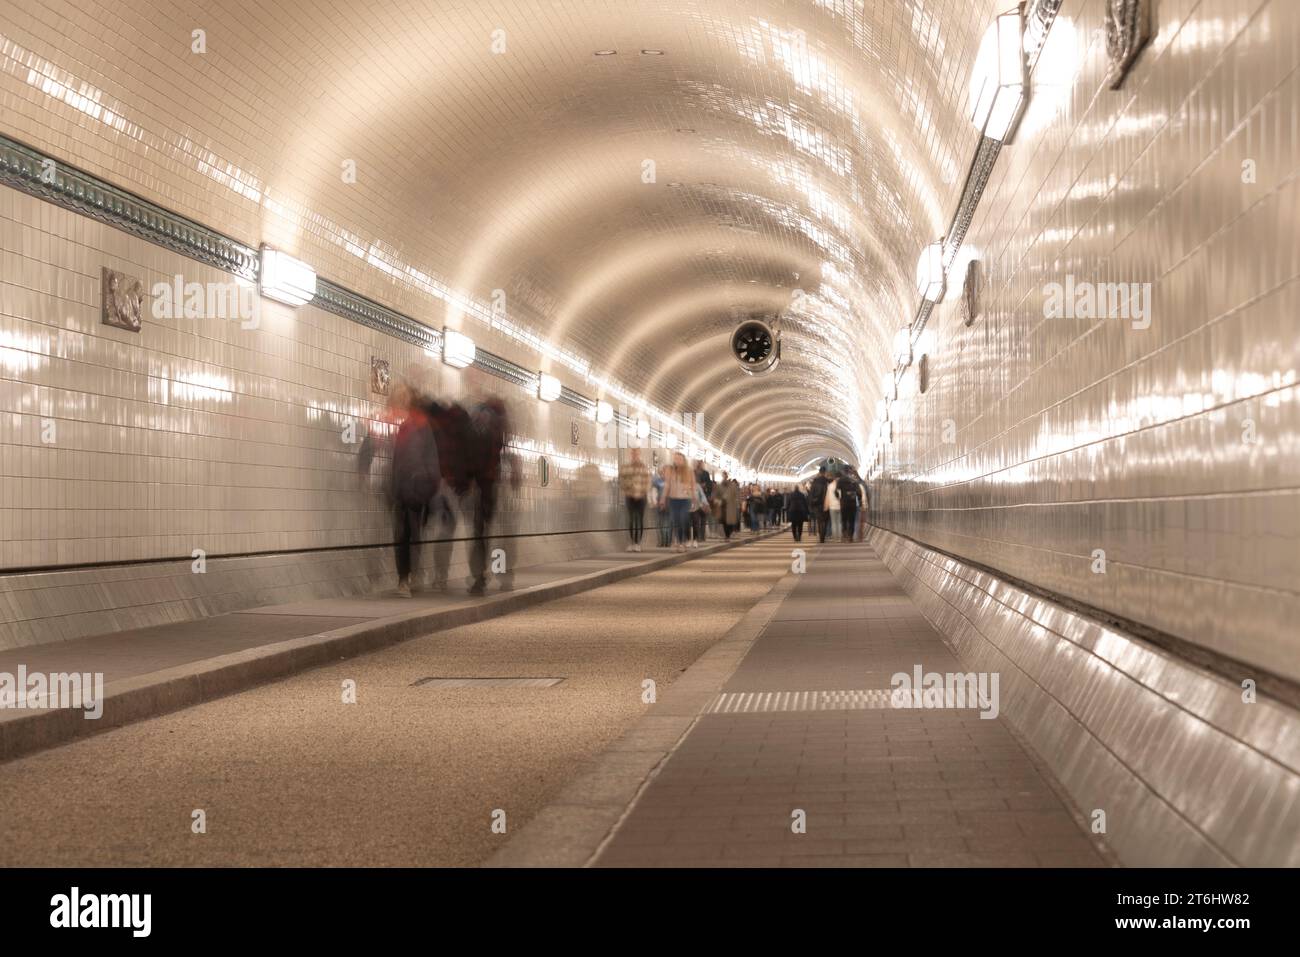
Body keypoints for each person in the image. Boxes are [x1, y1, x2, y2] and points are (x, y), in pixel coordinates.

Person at [387, 382, 439, 597]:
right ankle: (403, 578)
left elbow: (431, 460)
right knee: (401, 536)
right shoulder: (400, 426)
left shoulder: (421, 426)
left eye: (404, 397)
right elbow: (397, 461)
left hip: (416, 491)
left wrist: (426, 487)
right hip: (401, 490)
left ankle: (409, 576)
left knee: (412, 535)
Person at [466, 396, 514, 594]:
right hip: (494, 485)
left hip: (481, 485)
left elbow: (470, 457)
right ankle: (503, 576)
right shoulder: (502, 430)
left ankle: (480, 577)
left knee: (480, 533)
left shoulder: (479, 428)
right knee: (496, 534)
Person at [619, 448, 650, 552]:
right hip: (630, 496)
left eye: (636, 454)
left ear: (639, 455)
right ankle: (632, 542)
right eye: (633, 454)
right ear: (630, 455)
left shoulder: (644, 467)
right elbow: (621, 481)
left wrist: (642, 493)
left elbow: (647, 483)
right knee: (631, 519)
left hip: (642, 497)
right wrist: (628, 490)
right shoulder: (625, 467)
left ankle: (638, 543)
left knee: (640, 520)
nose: (634, 456)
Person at [663, 452, 694, 552]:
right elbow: (667, 485)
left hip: (685, 499)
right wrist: (663, 498)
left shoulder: (689, 471)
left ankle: (682, 542)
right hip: (673, 499)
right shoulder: (671, 471)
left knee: (682, 519)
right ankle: (679, 541)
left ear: (683, 460)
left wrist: (694, 499)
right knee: (676, 521)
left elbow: (693, 485)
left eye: (679, 459)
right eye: (675, 459)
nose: (677, 461)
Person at [836, 467, 861, 543]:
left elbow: (836, 491)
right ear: (850, 471)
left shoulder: (840, 480)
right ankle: (850, 537)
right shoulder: (854, 480)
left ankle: (844, 534)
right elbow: (859, 493)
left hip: (843, 503)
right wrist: (858, 500)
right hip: (852, 503)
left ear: (844, 472)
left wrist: (839, 498)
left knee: (844, 519)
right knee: (851, 520)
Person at [809, 466, 831, 544]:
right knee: (825, 521)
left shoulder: (814, 482)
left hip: (816, 505)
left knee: (819, 521)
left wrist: (811, 505)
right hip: (826, 504)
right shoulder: (828, 482)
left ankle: (821, 537)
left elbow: (811, 494)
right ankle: (823, 536)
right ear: (825, 472)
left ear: (819, 472)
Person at [715, 471, 740, 539]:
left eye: (725, 476)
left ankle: (730, 532)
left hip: (731, 506)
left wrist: (737, 504)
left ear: (727, 476)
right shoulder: (719, 486)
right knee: (724, 520)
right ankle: (727, 535)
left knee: (730, 521)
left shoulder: (732, 485)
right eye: (723, 476)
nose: (724, 477)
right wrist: (718, 501)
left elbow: (736, 495)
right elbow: (716, 496)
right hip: (722, 506)